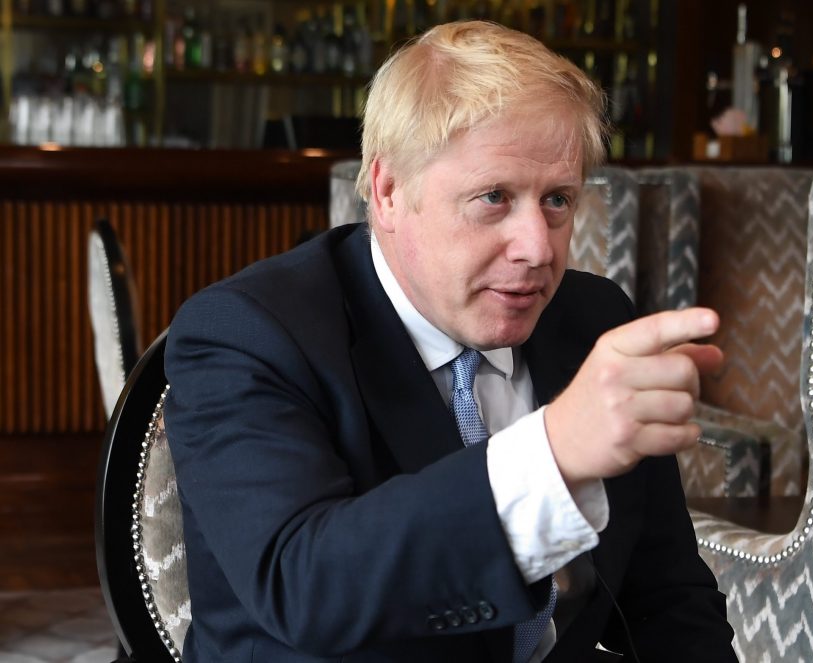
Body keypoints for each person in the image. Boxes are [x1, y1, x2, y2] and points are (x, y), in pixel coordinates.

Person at [164, 20, 737, 663]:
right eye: (493, 197)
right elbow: (304, 585)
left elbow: (668, 598)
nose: (538, 247)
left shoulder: (593, 320)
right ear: (387, 191)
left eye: (557, 200)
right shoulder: (248, 333)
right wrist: (553, 452)